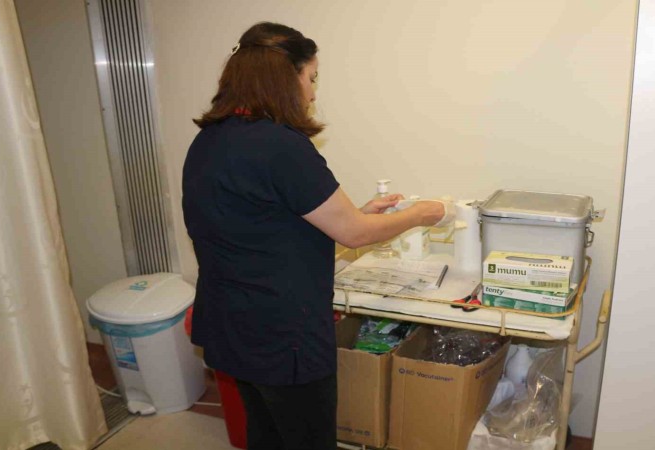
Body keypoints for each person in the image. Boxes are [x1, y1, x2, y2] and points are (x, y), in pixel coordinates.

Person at [182, 22, 452, 450]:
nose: (311, 93)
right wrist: (421, 214)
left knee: (266, 433)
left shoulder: (210, 141)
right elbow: (355, 234)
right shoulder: (281, 146)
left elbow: (259, 225)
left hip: (231, 323)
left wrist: (355, 214)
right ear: (285, 78)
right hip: (281, 333)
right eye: (311, 78)